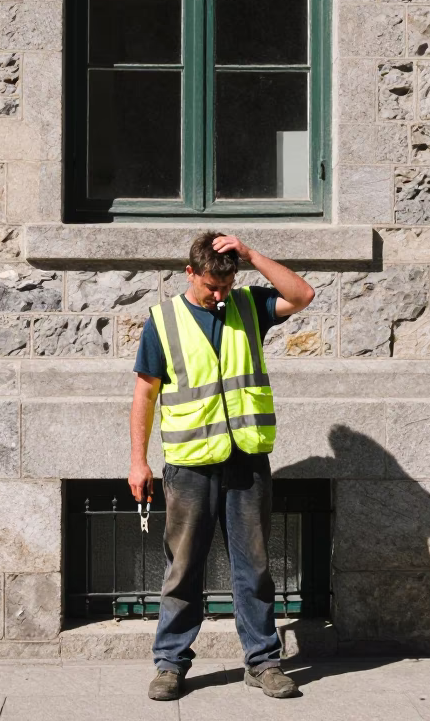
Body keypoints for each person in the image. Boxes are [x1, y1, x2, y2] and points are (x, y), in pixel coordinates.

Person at [128, 231, 315, 701]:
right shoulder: (163, 321)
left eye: (226, 285)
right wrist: (138, 461)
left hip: (246, 461)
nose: (218, 294)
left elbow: (303, 294)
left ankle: (263, 662)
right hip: (189, 465)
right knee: (183, 569)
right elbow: (144, 394)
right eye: (211, 285)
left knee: (253, 568)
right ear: (189, 273)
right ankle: (170, 665)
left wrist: (251, 255)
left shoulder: (249, 306)